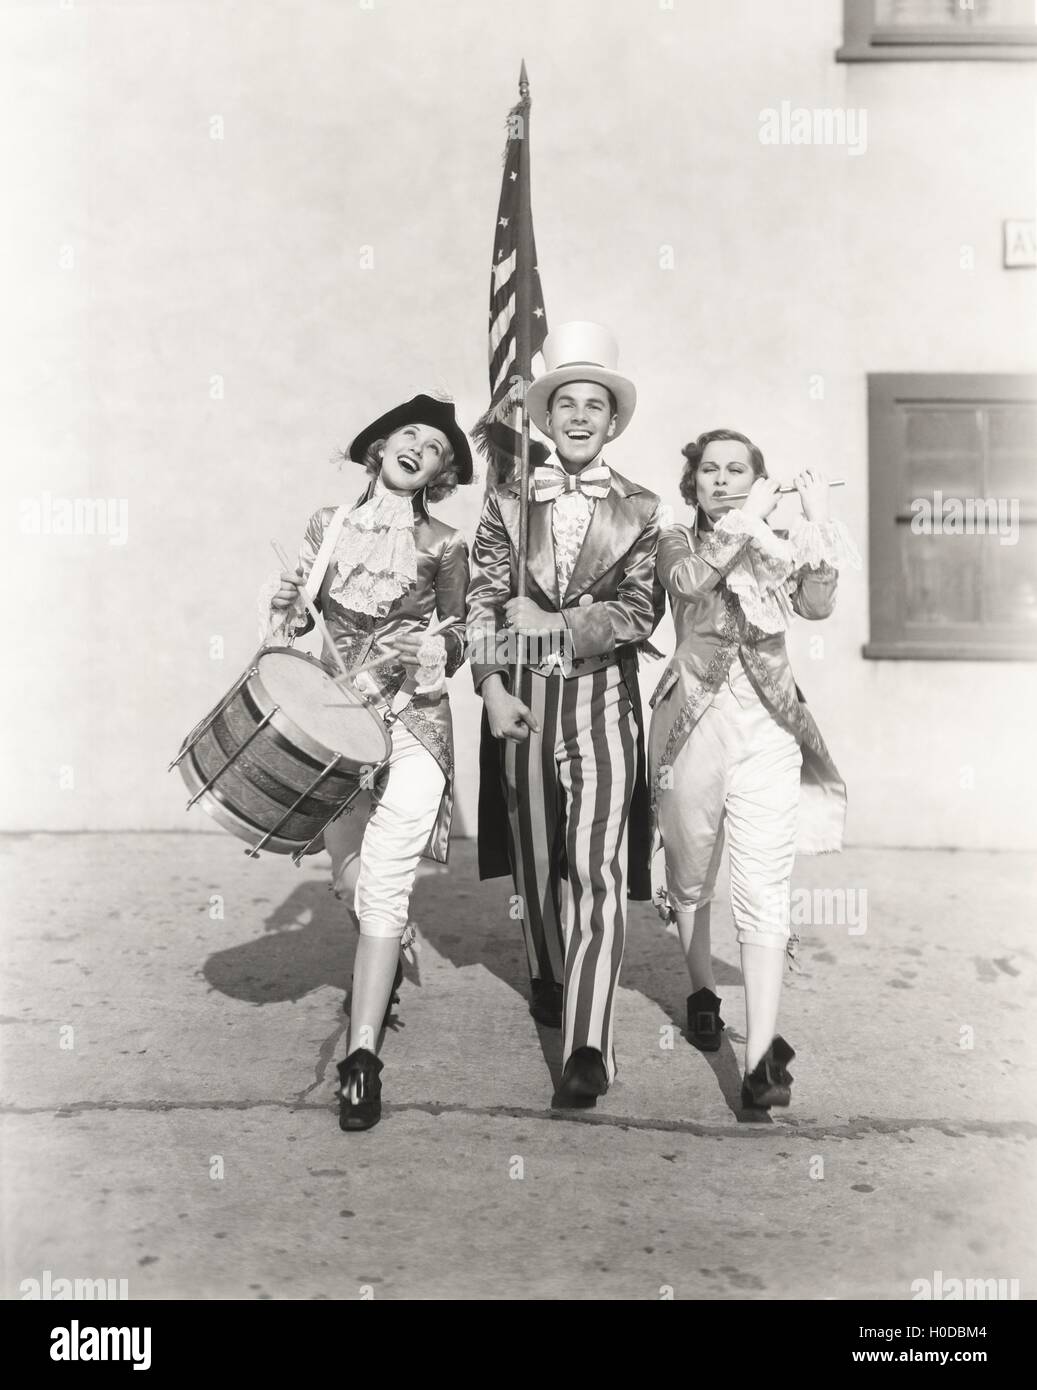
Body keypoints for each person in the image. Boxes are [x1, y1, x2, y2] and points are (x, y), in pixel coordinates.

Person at [467, 322, 665, 1109]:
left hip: (602, 698)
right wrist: (489, 686)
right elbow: (482, 600)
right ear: (545, 420)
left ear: (612, 422)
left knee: (595, 867)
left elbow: (640, 610)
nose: (579, 418)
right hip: (522, 697)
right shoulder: (508, 503)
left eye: (595, 405)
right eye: (565, 405)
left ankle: (589, 1044)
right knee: (536, 853)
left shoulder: (643, 508)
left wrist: (559, 622)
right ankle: (547, 972)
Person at [264, 394, 473, 1131]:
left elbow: (462, 633)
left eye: (439, 451)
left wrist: (439, 650)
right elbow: (295, 625)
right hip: (337, 728)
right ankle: (392, 940)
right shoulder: (329, 527)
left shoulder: (446, 543)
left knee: (382, 884)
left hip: (414, 724)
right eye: (411, 437)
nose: (422, 449)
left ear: (439, 478)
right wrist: (287, 606)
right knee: (351, 881)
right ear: (381, 447)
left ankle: (361, 1061)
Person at [648, 428, 860, 1111]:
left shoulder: (773, 545)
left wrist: (814, 525)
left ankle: (762, 1058)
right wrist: (751, 518)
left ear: (754, 477)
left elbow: (817, 606)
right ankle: (702, 988)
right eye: (708, 470)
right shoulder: (677, 541)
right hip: (692, 727)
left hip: (768, 728)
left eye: (736, 470)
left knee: (764, 886)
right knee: (688, 872)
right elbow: (690, 582)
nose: (720, 479)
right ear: (693, 484)